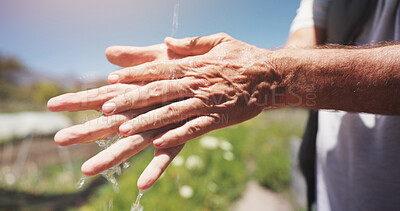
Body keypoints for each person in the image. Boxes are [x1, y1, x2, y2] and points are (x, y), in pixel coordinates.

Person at [48, 0, 400, 210]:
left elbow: (282, 71)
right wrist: (214, 78)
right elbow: (301, 49)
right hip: (333, 188)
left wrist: (269, 78)